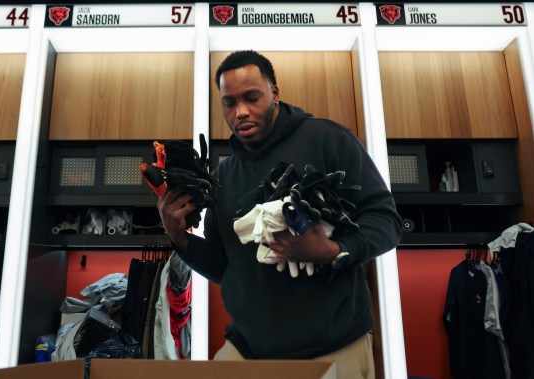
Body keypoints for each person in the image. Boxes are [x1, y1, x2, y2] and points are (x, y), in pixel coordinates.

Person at [157, 50, 402, 378]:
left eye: (252, 97)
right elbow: (225, 268)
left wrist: (331, 251)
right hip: (248, 349)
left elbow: (386, 221)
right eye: (230, 103)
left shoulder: (327, 139)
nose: (241, 111)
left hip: (333, 347)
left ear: (274, 92)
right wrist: (178, 236)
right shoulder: (225, 176)